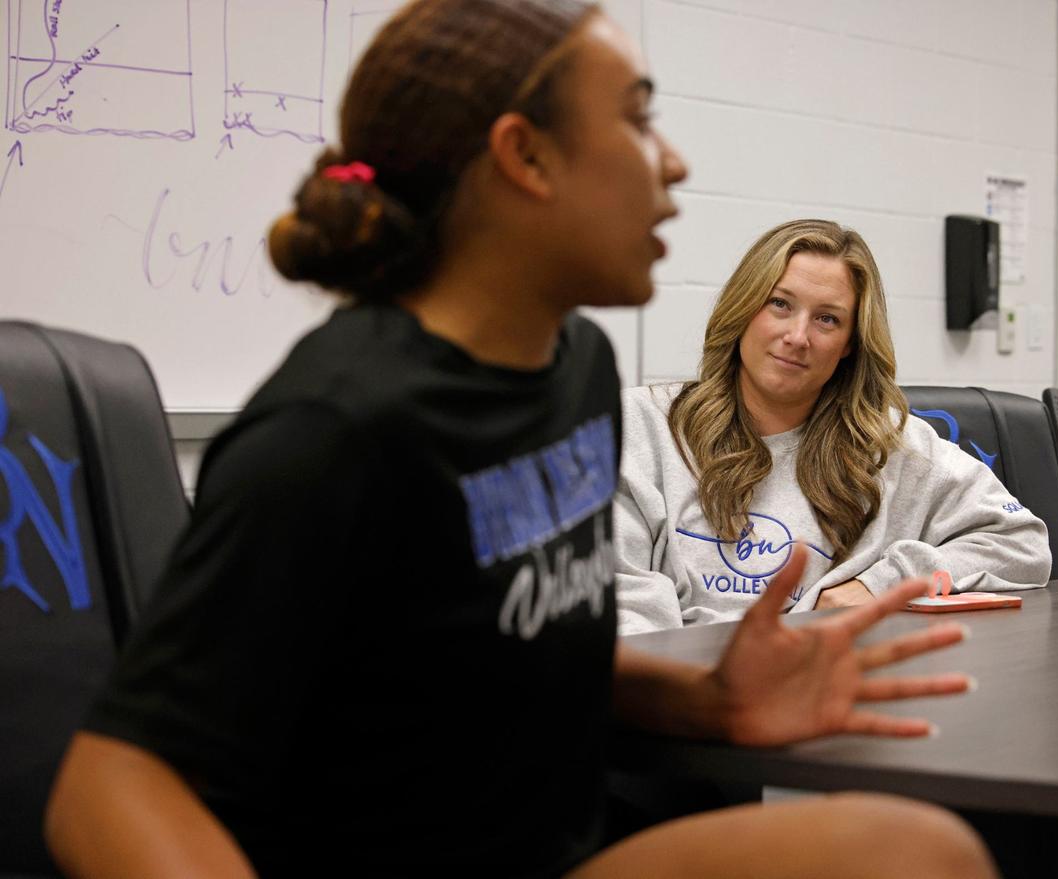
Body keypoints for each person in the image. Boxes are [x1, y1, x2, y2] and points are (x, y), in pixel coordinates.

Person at [44, 3, 997, 877]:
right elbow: (110, 783)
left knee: (917, 849)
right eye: (635, 118)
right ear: (526, 158)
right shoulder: (338, 430)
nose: (673, 163)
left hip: (555, 849)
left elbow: (521, 654)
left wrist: (703, 702)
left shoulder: (574, 370)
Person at [616, 219, 1051, 635]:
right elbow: (618, 595)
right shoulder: (641, 426)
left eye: (828, 319)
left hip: (826, 684)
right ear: (744, 309)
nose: (797, 336)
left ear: (849, 345)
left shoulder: (889, 447)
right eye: (780, 304)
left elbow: (1021, 543)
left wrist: (880, 583)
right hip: (676, 686)